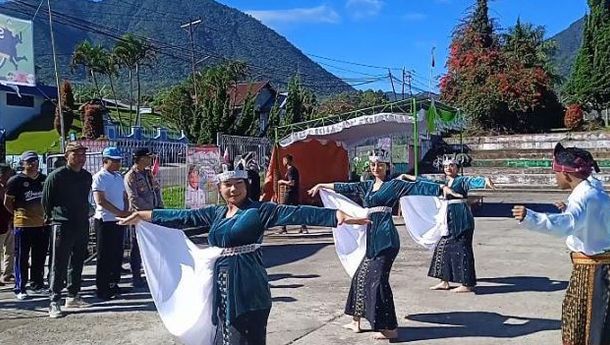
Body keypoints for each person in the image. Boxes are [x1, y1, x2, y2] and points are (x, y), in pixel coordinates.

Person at [117, 165, 370, 344]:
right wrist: (143, 215)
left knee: (245, 335)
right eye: (227, 185)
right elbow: (183, 216)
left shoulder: (260, 211)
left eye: (239, 184)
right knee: (224, 333)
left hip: (249, 286)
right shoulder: (216, 213)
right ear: (220, 188)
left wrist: (336, 216)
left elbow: (297, 213)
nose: (233, 189)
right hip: (221, 285)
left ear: (246, 186)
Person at [308, 149, 461, 340]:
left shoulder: (394, 185)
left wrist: (441, 189)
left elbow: (417, 187)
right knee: (360, 275)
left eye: (380, 164)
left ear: (388, 167)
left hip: (386, 238)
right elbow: (344, 187)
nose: (376, 168)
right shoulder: (367, 186)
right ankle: (356, 321)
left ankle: (389, 327)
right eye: (373, 165)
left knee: (378, 281)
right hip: (372, 238)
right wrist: (322, 184)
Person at [512, 143, 610, 345]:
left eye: (555, 172)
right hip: (599, 267)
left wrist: (531, 217)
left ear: (566, 174)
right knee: (597, 322)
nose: (555, 177)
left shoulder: (584, 196)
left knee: (585, 323)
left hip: (592, 271)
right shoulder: (594, 192)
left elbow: (568, 224)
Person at [401, 157, 495, 293]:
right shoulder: (443, 183)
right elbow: (426, 182)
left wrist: (484, 181)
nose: (448, 169)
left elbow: (472, 181)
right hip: (448, 218)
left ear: (457, 167)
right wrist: (408, 177)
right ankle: (444, 281)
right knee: (442, 247)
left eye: (451, 166)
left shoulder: (461, 181)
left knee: (463, 249)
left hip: (461, 217)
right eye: (446, 166)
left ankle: (467, 283)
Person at [42, 142, 93, 318]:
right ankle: (54, 300)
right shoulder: (56, 176)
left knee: (78, 261)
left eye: (82, 155)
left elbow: (84, 198)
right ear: (67, 156)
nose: (80, 158)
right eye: (76, 154)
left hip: (81, 223)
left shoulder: (87, 176)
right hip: (62, 224)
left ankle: (73, 295)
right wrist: (52, 218)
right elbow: (46, 201)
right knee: (59, 263)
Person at [4, 151, 49, 300]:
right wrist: (17, 214)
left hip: (41, 224)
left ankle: (37, 284)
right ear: (22, 163)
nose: (32, 164)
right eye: (29, 162)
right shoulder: (15, 181)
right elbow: (7, 202)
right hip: (23, 224)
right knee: (22, 257)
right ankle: (20, 287)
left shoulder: (44, 179)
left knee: (40, 256)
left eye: (35, 161)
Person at [92, 147, 130, 300]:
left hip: (118, 220)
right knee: (104, 255)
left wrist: (126, 211)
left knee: (117, 254)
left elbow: (123, 195)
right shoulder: (99, 177)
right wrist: (118, 212)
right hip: (105, 220)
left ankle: (114, 283)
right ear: (105, 161)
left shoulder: (118, 177)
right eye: (114, 161)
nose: (117, 163)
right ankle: (102, 287)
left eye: (119, 161)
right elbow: (101, 201)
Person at [124, 147, 163, 288]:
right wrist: (143, 213)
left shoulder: (148, 174)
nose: (150, 160)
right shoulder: (131, 176)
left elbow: (156, 190)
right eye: (148, 157)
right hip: (139, 216)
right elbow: (133, 198)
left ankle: (150, 274)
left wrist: (159, 209)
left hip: (153, 214)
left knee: (152, 246)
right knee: (137, 246)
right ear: (140, 159)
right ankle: (136, 276)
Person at [278, 154, 308, 234]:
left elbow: (292, 183)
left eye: (284, 160)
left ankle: (283, 228)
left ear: (287, 161)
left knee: (283, 209)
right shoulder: (291, 170)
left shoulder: (291, 170)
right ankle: (303, 226)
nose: (283, 162)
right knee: (296, 210)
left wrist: (282, 182)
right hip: (293, 193)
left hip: (290, 192)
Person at [0, 164, 15, 286]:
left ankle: (7, 274)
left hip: (9, 222)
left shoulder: (9, 187)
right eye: (8, 174)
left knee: (10, 250)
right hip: (1, 223)